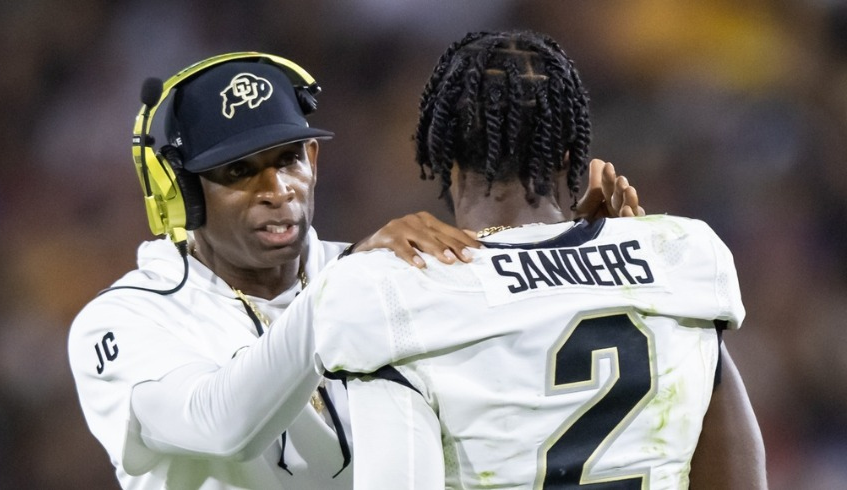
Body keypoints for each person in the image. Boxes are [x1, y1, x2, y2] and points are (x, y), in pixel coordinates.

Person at [67, 52, 644, 490]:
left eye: (289, 158)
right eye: (239, 171)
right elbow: (221, 423)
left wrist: (568, 263)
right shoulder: (127, 318)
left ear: (312, 160)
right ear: (179, 191)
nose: (277, 190)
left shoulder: (375, 269)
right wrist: (348, 286)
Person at [310, 30, 767, 489]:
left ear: (440, 152)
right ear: (570, 154)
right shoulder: (681, 255)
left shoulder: (394, 287)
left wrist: (353, 260)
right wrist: (627, 263)